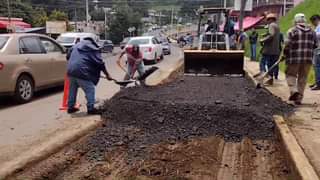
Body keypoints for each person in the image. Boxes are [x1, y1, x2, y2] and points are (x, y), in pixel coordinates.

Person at [67, 37, 112, 114]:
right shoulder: (92, 48)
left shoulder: (75, 46)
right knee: (90, 89)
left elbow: (68, 56)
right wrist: (107, 75)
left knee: (72, 89)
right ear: (93, 42)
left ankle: (70, 107)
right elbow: (100, 63)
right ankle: (91, 108)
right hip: (82, 71)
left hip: (71, 70)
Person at [283, 13, 317, 105]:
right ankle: (299, 99)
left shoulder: (292, 31)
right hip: (308, 59)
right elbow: (315, 45)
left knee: (290, 75)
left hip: (294, 58)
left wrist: (284, 54)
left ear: (295, 20)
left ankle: (294, 91)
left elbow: (287, 45)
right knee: (303, 78)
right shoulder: (312, 31)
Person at [259, 13, 281, 85]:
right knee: (270, 65)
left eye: (268, 19)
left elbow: (271, 35)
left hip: (268, 49)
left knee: (262, 62)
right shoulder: (277, 26)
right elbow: (273, 34)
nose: (267, 21)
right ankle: (270, 79)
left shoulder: (271, 25)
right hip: (276, 50)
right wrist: (265, 34)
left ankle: (265, 76)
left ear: (271, 19)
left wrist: (263, 40)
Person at [310, 14, 320, 90]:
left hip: (318, 49)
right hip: (317, 49)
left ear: (316, 20)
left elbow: (316, 36)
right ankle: (317, 82)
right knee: (316, 66)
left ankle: (318, 83)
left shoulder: (319, 27)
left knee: (317, 66)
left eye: (313, 22)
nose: (312, 23)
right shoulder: (317, 27)